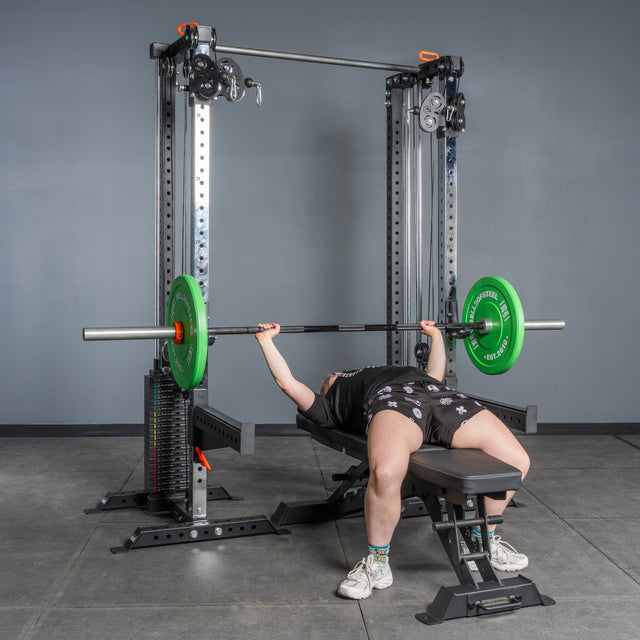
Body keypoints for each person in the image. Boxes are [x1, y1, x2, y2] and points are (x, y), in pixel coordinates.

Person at [255, 321, 530, 600]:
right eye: (328, 379)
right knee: (386, 472)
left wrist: (435, 335)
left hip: (437, 394)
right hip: (391, 401)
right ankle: (377, 564)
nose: (332, 374)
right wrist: (266, 341)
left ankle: (482, 539)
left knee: (517, 461)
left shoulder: (386, 370)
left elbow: (435, 375)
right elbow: (287, 383)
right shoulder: (326, 406)